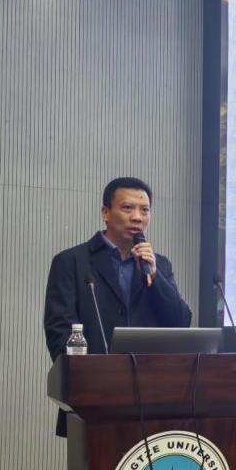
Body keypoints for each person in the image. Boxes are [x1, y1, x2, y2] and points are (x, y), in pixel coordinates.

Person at [44, 177, 192, 435]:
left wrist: (155, 277)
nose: (137, 217)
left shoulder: (159, 264)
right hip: (93, 395)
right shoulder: (72, 261)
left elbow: (180, 322)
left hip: (152, 394)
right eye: (127, 208)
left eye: (144, 210)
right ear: (105, 213)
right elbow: (59, 329)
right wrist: (86, 378)